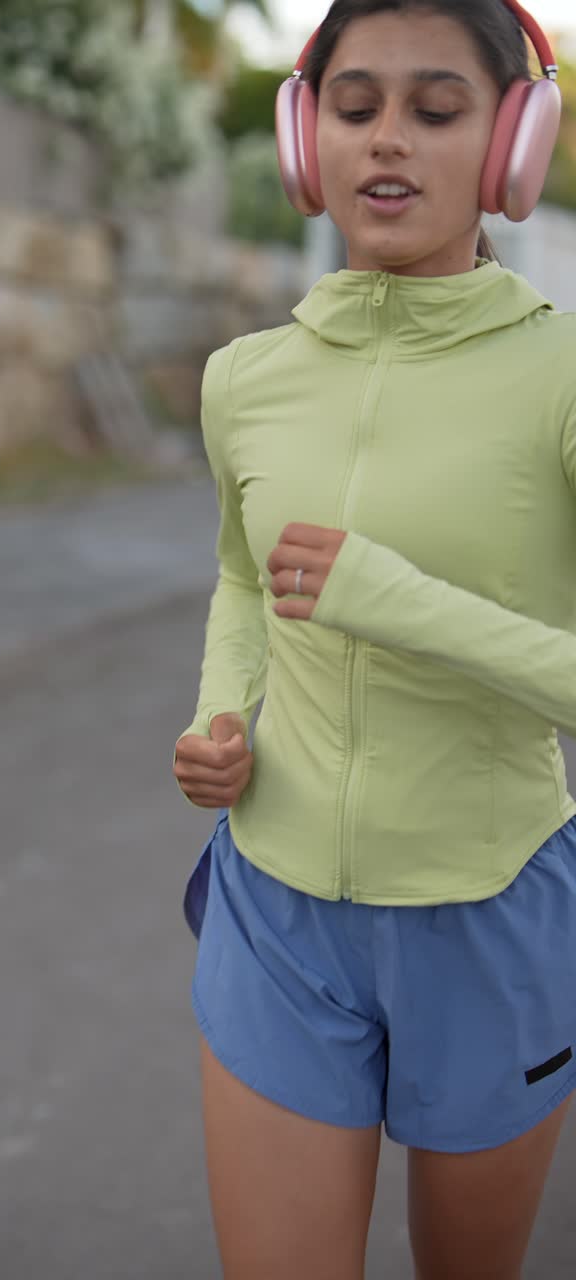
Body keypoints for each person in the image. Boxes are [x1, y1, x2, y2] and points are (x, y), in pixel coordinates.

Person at [172, 2, 576, 1277]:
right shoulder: (243, 377)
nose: (387, 139)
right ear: (309, 140)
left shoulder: (563, 377)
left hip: (490, 910)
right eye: (355, 108)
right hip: (275, 906)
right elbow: (243, 578)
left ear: (513, 143)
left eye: (436, 109)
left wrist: (397, 599)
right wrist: (220, 711)